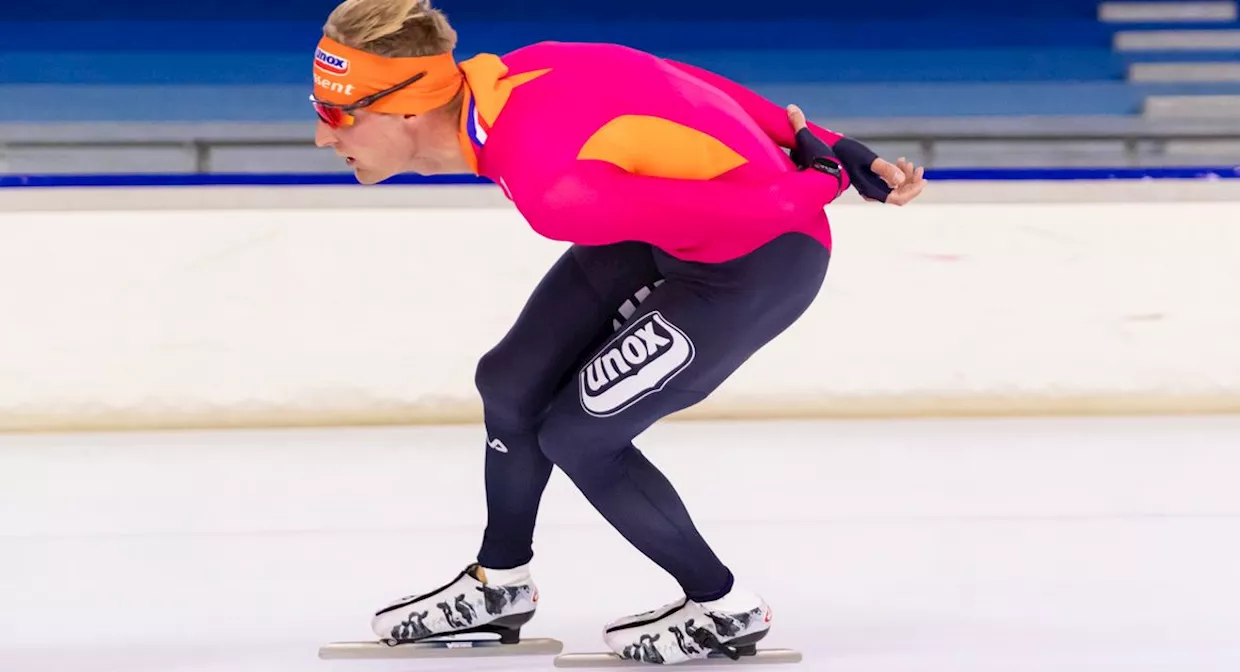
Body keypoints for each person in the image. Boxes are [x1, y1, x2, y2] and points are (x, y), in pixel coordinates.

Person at [310, 0, 926, 664]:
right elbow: (686, 81)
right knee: (510, 381)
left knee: (581, 435)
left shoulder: (550, 182)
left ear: (408, 108)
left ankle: (723, 608)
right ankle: (499, 586)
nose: (323, 138)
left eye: (338, 115)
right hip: (680, 230)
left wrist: (826, 173)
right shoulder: (521, 73)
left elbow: (759, 207)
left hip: (759, 257)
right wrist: (836, 146)